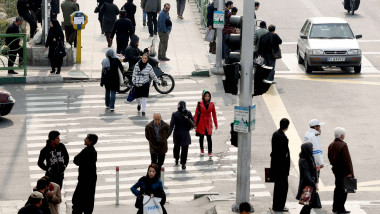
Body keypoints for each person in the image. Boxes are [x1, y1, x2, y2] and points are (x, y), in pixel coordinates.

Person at [328, 127, 354, 214]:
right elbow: (347, 161)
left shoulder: (331, 145)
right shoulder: (343, 145)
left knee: (337, 189)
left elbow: (330, 158)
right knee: (343, 191)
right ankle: (341, 208)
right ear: (342, 136)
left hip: (336, 171)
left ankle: (335, 207)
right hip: (344, 172)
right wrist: (350, 172)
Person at [72, 134, 98, 214]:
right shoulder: (93, 152)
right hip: (91, 181)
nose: (84, 139)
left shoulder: (86, 151)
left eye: (86, 138)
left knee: (78, 201)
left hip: (84, 181)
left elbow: (76, 160)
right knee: (89, 202)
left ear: (90, 141)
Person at [270, 118, 290, 212]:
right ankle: (280, 206)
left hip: (275, 166)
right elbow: (283, 154)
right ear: (287, 126)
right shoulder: (282, 137)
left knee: (277, 187)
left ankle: (276, 205)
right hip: (282, 168)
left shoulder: (275, 134)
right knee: (283, 187)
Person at [169, 101, 194, 170]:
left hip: (177, 134)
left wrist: (168, 133)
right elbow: (193, 123)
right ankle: (183, 163)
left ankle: (178, 160)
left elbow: (171, 125)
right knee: (184, 149)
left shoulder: (175, 114)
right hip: (185, 134)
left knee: (177, 148)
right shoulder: (188, 113)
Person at [296, 143, 318, 214]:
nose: (312, 150)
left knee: (309, 204)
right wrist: (313, 182)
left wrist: (315, 181)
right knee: (307, 204)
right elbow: (306, 175)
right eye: (311, 148)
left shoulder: (309, 157)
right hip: (307, 185)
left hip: (311, 184)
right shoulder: (304, 160)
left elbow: (314, 170)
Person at [194, 90, 218, 157]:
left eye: (208, 96)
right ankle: (202, 150)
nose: (207, 97)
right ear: (203, 96)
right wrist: (195, 124)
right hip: (201, 123)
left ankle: (210, 152)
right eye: (205, 96)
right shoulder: (199, 104)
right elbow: (196, 114)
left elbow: (214, 114)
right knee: (201, 137)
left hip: (208, 123)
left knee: (209, 137)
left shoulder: (212, 104)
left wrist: (216, 124)